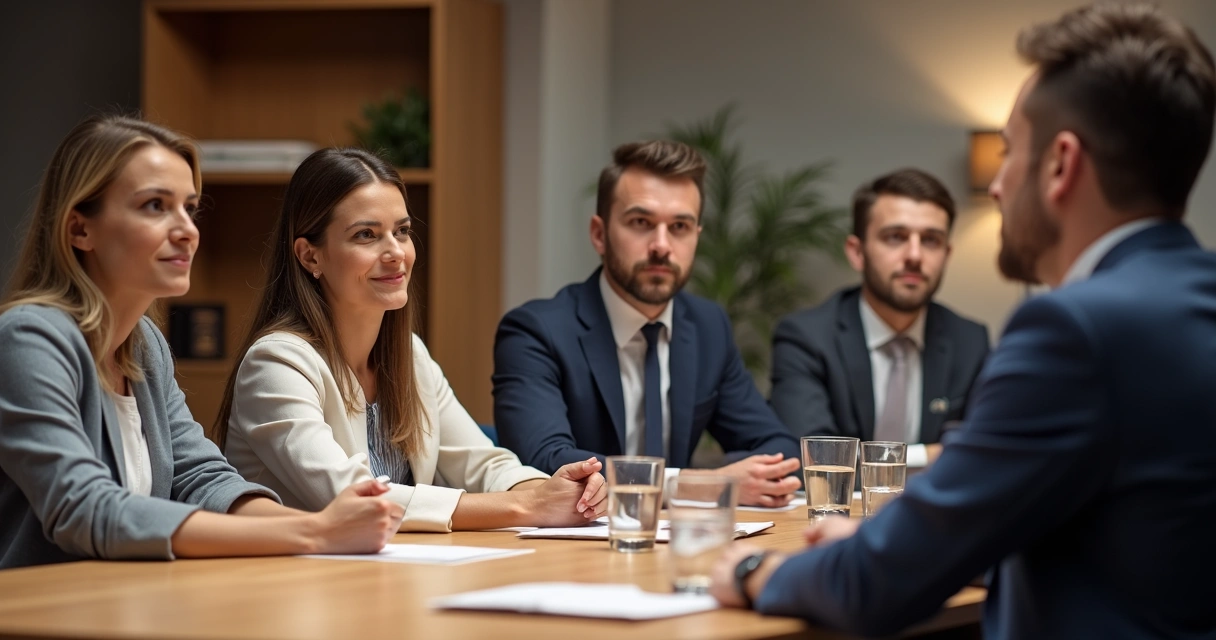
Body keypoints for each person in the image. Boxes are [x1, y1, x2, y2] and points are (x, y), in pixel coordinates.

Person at [709, 3, 1216, 637]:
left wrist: (759, 568)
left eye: (1009, 153)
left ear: (1060, 165)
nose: (997, 185)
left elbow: (878, 586)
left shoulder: (1072, 332)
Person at [0, 116, 400, 570]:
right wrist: (313, 531)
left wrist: (320, 529)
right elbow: (85, 509)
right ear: (79, 229)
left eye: (190, 208)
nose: (187, 229)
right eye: (155, 206)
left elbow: (202, 479)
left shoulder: (144, 344)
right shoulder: (29, 339)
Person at [217, 148, 606, 532]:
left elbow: (483, 464)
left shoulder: (411, 355)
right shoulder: (275, 364)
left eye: (401, 231)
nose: (396, 253)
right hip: (292, 585)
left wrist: (559, 491)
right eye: (366, 235)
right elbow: (358, 499)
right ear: (310, 257)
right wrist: (527, 505)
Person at [493, 140, 802, 508]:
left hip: (680, 546)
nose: (661, 245)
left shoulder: (707, 327)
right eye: (641, 223)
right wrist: (700, 484)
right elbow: (546, 459)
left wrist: (734, 477)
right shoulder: (536, 331)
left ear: (696, 238)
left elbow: (778, 449)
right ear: (599, 234)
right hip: (575, 548)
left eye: (680, 227)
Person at [769, 169, 989, 469]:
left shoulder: (970, 341)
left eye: (931, 240)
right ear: (857, 252)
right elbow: (813, 461)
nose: (914, 255)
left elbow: (985, 453)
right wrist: (927, 455)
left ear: (947, 255)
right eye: (895, 237)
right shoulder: (807, 337)